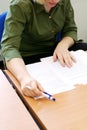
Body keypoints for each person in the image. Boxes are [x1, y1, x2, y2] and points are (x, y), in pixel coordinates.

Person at [1, 0, 87, 98]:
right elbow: (9, 47)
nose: (55, 0)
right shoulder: (20, 5)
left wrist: (63, 45)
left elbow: (70, 30)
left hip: (53, 51)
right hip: (26, 57)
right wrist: (24, 78)